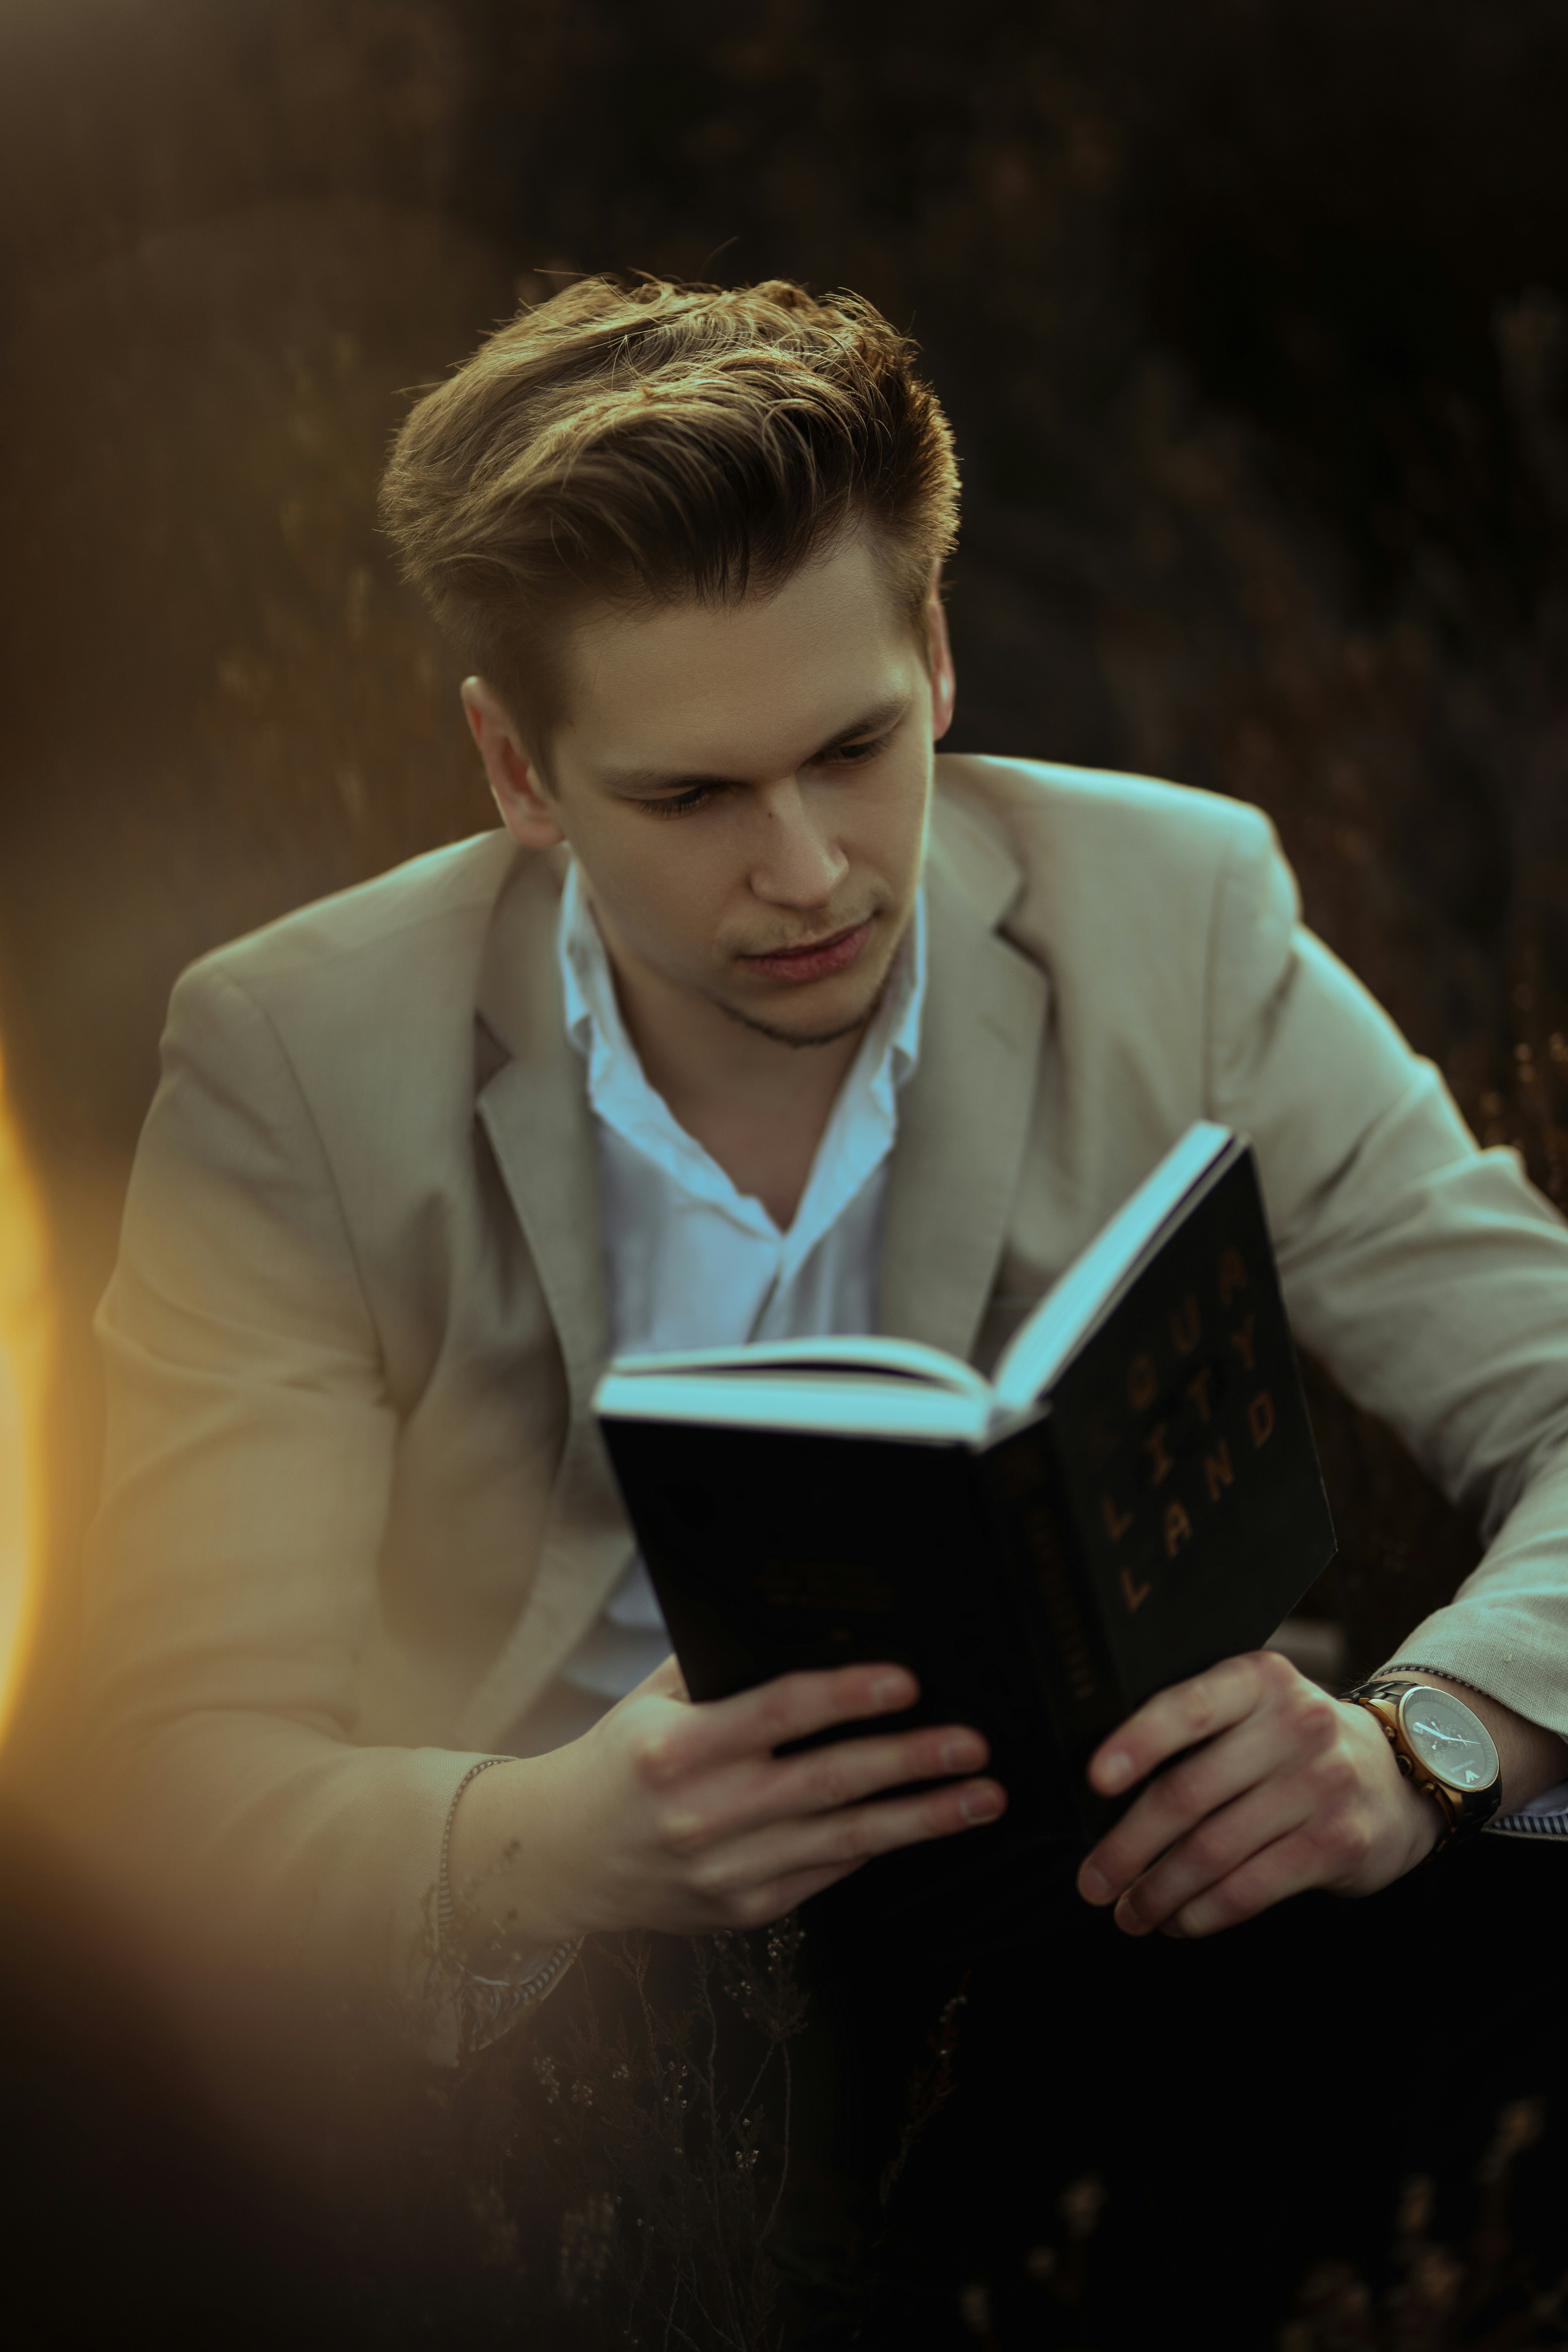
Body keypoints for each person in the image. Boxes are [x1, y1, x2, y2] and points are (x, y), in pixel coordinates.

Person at [78, 276, 1568, 2339]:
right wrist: (534, 1845)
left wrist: (1423, 1747)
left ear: (936, 655)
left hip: (1119, 1911)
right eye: (690, 798)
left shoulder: (1180, 908)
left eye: (856, 749)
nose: (806, 872)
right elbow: (157, 1779)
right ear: (518, 767)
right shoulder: (295, 1060)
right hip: (567, 2029)